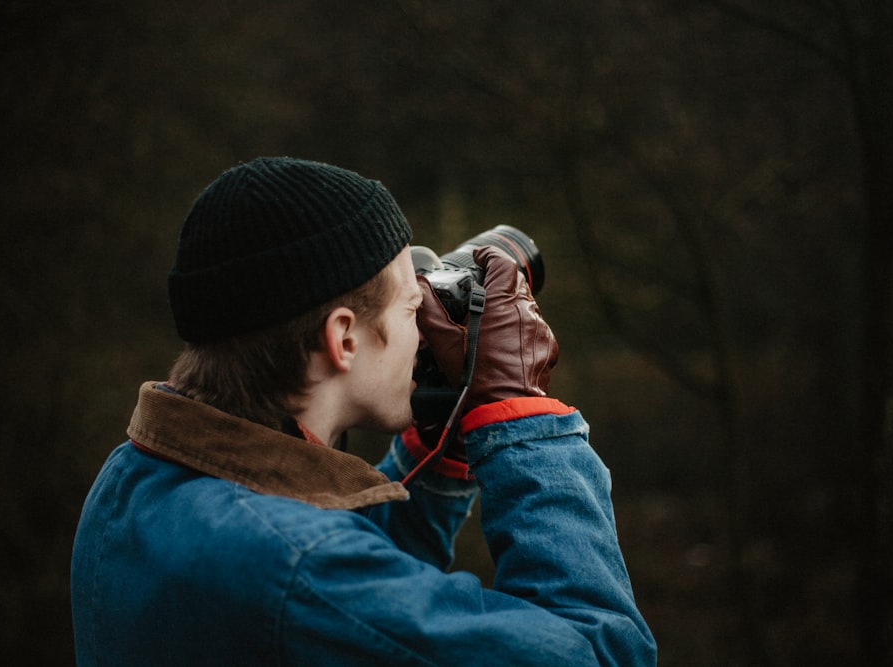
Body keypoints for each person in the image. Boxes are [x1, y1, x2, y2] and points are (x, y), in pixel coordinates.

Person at [70, 157, 656, 666]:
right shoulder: (299, 570)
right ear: (343, 339)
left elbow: (354, 610)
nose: (425, 326)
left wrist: (441, 440)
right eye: (410, 307)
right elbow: (601, 652)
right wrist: (519, 412)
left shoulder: (132, 481)